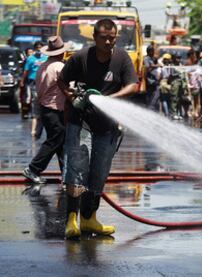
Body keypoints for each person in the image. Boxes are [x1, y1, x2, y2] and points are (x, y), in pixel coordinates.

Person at [57, 19, 139, 239]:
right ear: (94, 37)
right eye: (104, 37)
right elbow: (62, 79)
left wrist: (111, 98)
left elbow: (133, 84)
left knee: (99, 174)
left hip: (107, 127)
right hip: (80, 122)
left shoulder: (122, 58)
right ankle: (72, 220)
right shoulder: (81, 57)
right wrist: (70, 97)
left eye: (113, 37)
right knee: (76, 170)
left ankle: (89, 219)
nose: (109, 41)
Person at [22, 36, 71, 185]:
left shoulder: (42, 66)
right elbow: (69, 87)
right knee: (55, 140)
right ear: (61, 53)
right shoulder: (60, 67)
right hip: (55, 108)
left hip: (45, 108)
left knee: (60, 142)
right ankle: (33, 169)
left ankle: (66, 175)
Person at [20, 41, 48, 139]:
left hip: (44, 82)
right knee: (35, 99)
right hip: (33, 82)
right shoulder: (30, 59)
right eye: (37, 48)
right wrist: (22, 80)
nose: (39, 49)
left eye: (40, 47)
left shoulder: (46, 58)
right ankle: (36, 114)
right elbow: (26, 71)